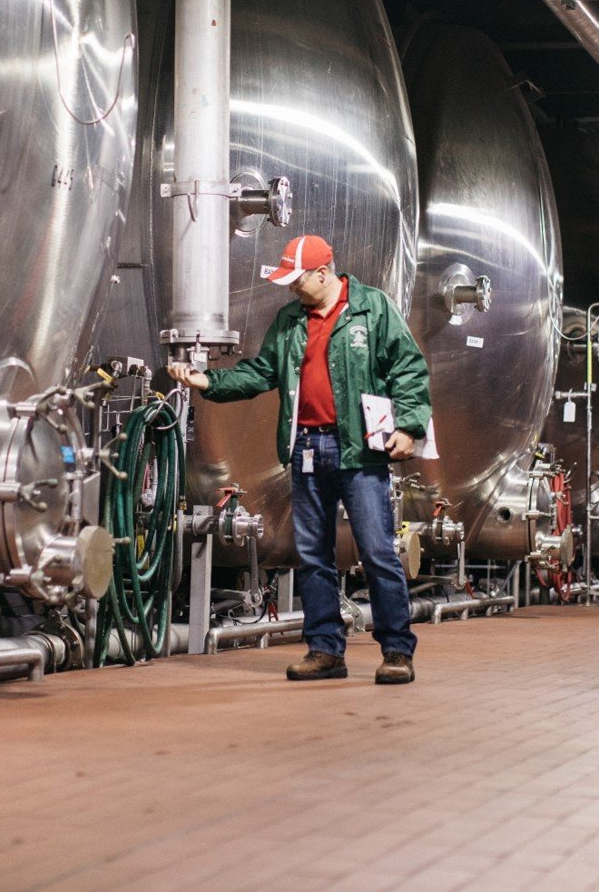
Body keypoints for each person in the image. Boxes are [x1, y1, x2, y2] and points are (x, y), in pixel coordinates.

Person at [167, 234, 431, 685]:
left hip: (362, 449)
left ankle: (396, 651)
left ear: (323, 273)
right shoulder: (291, 320)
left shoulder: (373, 308)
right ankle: (325, 649)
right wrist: (208, 381)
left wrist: (409, 427)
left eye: (297, 279)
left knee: (378, 551)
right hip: (307, 447)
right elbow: (262, 371)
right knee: (312, 554)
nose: (291, 288)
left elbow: (408, 367)